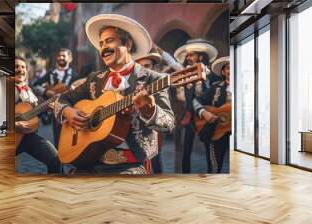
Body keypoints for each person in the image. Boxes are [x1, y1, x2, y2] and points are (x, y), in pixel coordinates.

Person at [54, 14, 174, 174]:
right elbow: (62, 99)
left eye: (110, 41)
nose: (103, 47)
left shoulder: (154, 79)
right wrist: (68, 112)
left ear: (128, 44)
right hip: (88, 159)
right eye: (101, 43)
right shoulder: (94, 79)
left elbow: (169, 124)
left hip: (131, 164)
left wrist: (150, 111)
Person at [173, 39, 218, 173]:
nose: (188, 58)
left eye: (191, 55)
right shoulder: (184, 74)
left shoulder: (211, 76)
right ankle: (186, 177)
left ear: (200, 57)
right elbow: (181, 96)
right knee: (185, 152)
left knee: (210, 150)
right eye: (187, 55)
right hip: (188, 117)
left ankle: (213, 176)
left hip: (205, 116)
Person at [15, 56, 60, 173]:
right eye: (16, 67)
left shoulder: (30, 90)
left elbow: (32, 112)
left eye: (23, 67)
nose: (20, 69)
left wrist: (47, 108)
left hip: (29, 136)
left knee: (55, 160)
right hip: (11, 137)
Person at [32, 48, 78, 145]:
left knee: (70, 138)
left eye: (63, 56)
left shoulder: (75, 75)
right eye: (59, 55)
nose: (61, 57)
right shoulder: (50, 73)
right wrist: (46, 91)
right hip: (55, 111)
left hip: (70, 110)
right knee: (57, 138)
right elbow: (35, 85)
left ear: (70, 59)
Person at [194, 56, 230, 173]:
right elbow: (196, 100)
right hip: (218, 131)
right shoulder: (215, 87)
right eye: (228, 68)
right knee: (214, 168)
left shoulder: (247, 87)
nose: (231, 70)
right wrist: (204, 112)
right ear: (224, 72)